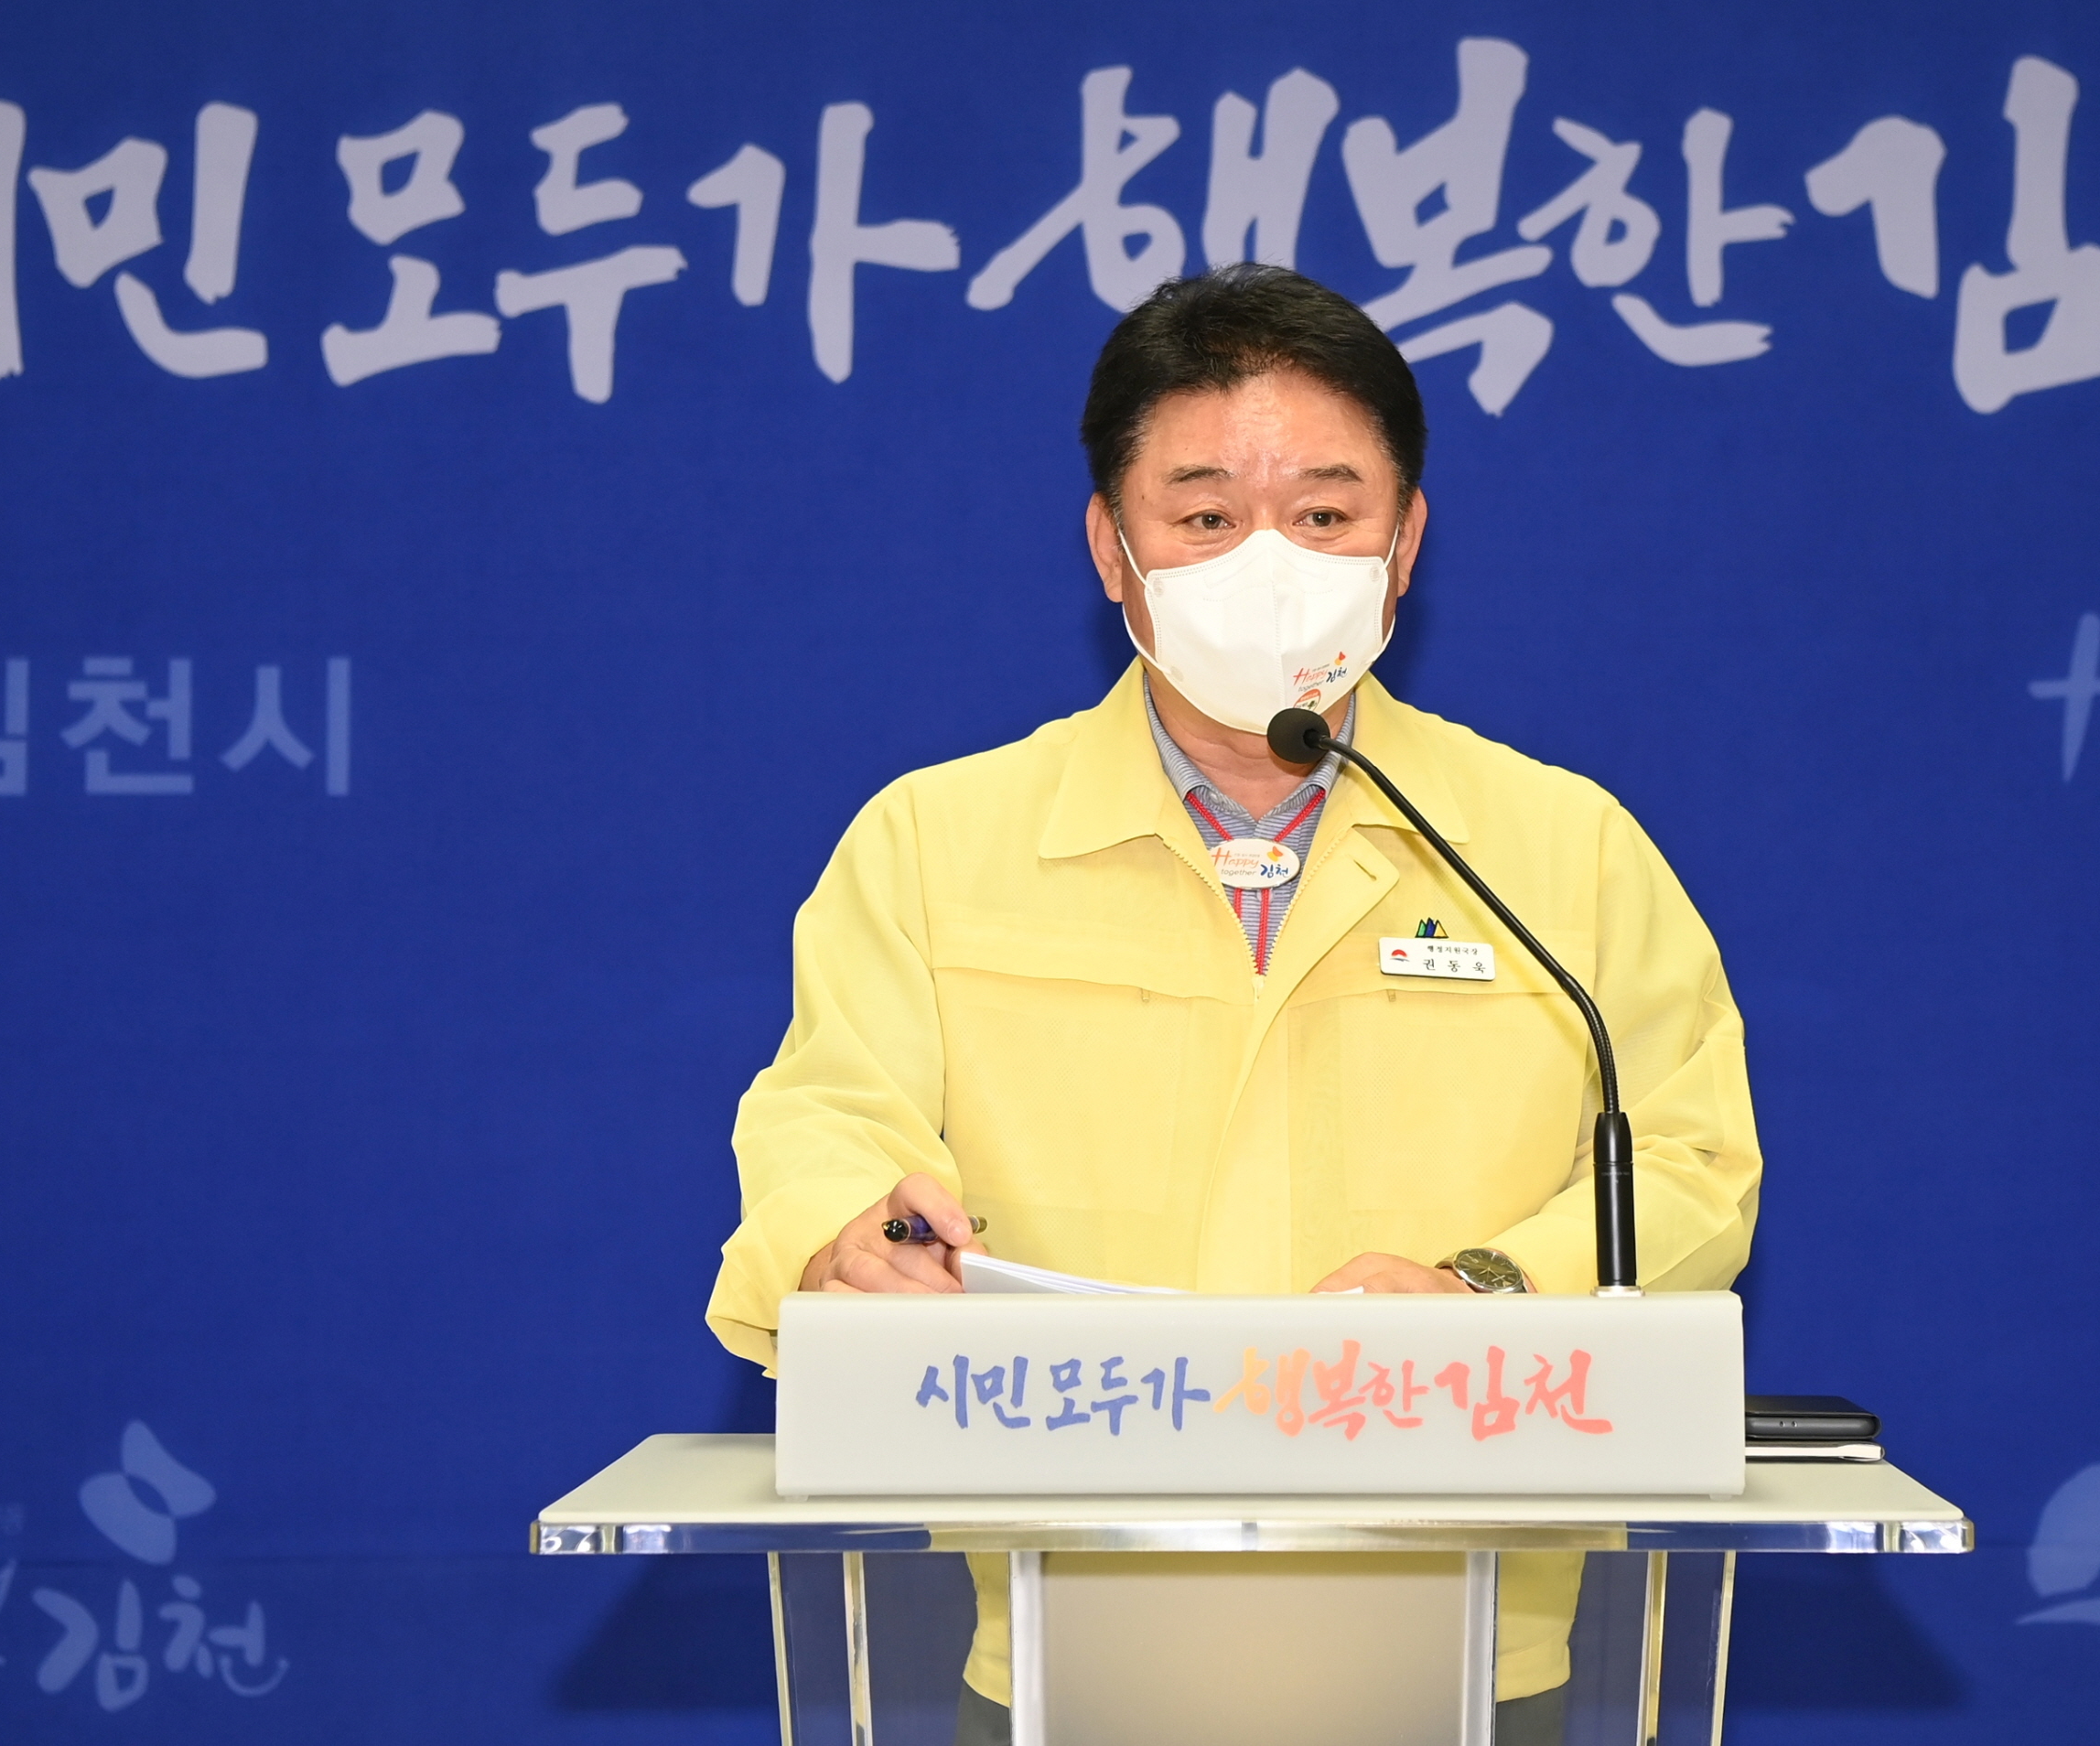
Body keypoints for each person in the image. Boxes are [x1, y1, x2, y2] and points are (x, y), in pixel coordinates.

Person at [707, 264, 1761, 1744]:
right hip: (1063, 1628)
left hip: (1470, 1640)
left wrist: (1487, 1290)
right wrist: (841, 1237)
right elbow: (826, 1116)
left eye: (1324, 514)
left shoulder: (1560, 846)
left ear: (1405, 542)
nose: (1267, 563)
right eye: (1204, 517)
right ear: (1111, 546)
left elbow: (1686, 1157)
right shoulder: (935, 842)